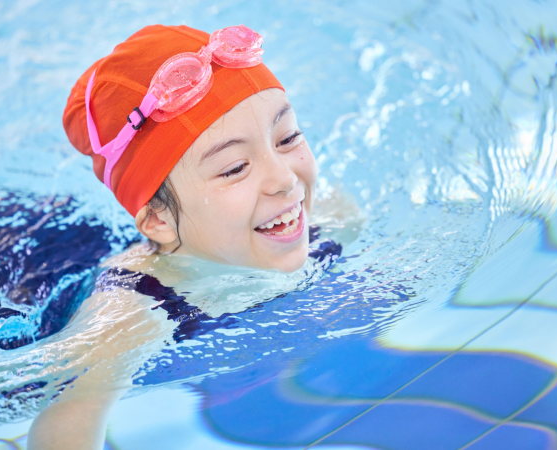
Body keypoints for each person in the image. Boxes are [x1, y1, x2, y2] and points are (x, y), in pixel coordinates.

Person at [27, 24, 358, 450]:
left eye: (288, 137)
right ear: (158, 221)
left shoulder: (334, 218)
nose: (284, 179)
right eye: (235, 168)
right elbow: (64, 425)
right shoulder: (130, 311)